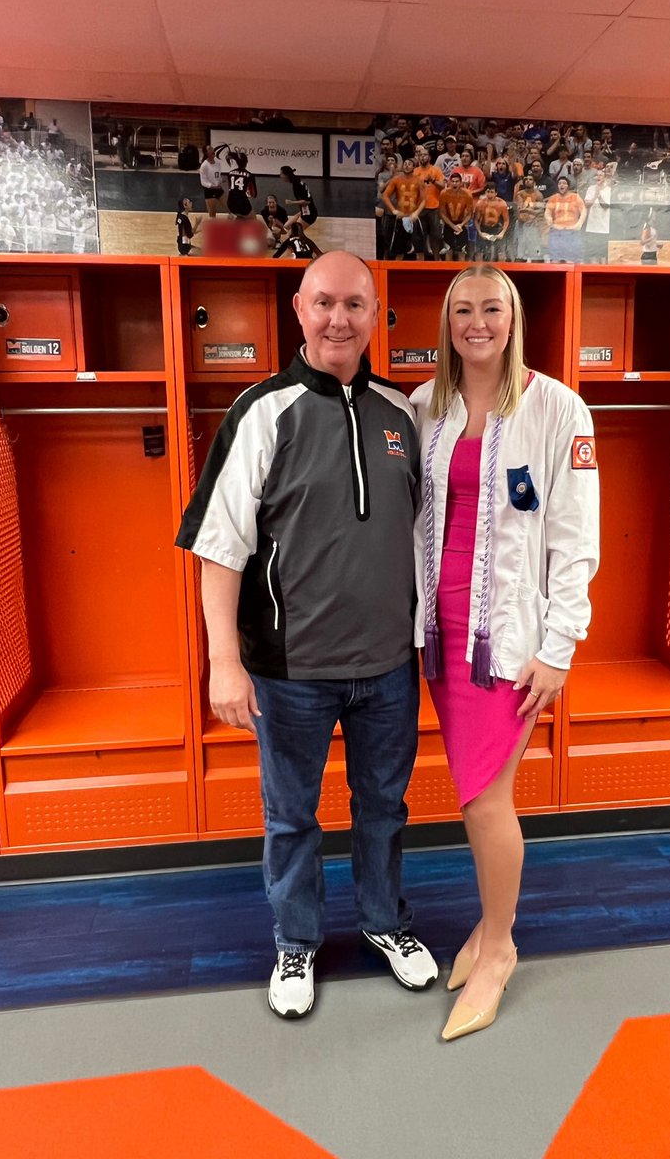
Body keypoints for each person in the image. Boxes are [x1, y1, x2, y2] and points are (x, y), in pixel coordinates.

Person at [176, 251, 438, 1020]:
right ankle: (297, 940)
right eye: (324, 302)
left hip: (389, 664)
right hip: (289, 669)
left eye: (354, 304)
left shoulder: (403, 411)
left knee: (383, 808)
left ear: (375, 312)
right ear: (299, 308)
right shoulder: (262, 410)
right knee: (291, 816)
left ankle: (386, 925)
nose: (338, 319)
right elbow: (218, 545)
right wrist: (224, 663)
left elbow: (426, 530)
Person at [411, 265, 599, 1041]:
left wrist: (559, 650)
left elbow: (576, 540)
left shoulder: (559, 407)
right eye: (463, 310)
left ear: (513, 318)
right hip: (440, 633)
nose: (477, 323)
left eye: (492, 309)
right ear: (447, 320)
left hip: (511, 642)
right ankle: (487, 929)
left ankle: (501, 948)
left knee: (486, 799)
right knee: (474, 797)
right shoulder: (426, 405)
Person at [438, 171, 473, 259]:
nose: (454, 183)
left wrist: (461, 225)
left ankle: (461, 271)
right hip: (448, 223)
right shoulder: (444, 193)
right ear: (449, 182)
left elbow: (469, 214)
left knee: (462, 250)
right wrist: (453, 226)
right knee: (448, 249)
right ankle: (446, 271)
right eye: (453, 181)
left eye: (457, 181)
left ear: (461, 183)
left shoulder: (467, 194)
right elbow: (442, 213)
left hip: (461, 223)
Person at [279, 165, 318, 234]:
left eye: (281, 174)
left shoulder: (296, 184)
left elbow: (307, 201)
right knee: (286, 226)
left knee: (293, 234)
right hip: (305, 211)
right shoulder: (297, 181)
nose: (280, 176)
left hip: (309, 214)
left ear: (286, 175)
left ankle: (303, 243)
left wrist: (291, 202)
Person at [225, 150, 258, 218]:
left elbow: (232, 188)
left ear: (237, 162)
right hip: (242, 203)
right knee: (254, 220)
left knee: (239, 217)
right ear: (246, 162)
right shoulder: (249, 175)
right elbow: (254, 194)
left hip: (230, 202)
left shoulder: (230, 173)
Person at [199, 145, 224, 218]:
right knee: (212, 214)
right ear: (206, 153)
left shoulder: (218, 163)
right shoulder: (204, 166)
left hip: (218, 189)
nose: (212, 150)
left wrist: (221, 180)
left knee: (230, 207)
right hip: (210, 191)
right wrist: (213, 186)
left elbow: (217, 176)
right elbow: (203, 182)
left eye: (212, 148)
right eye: (209, 149)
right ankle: (212, 228)